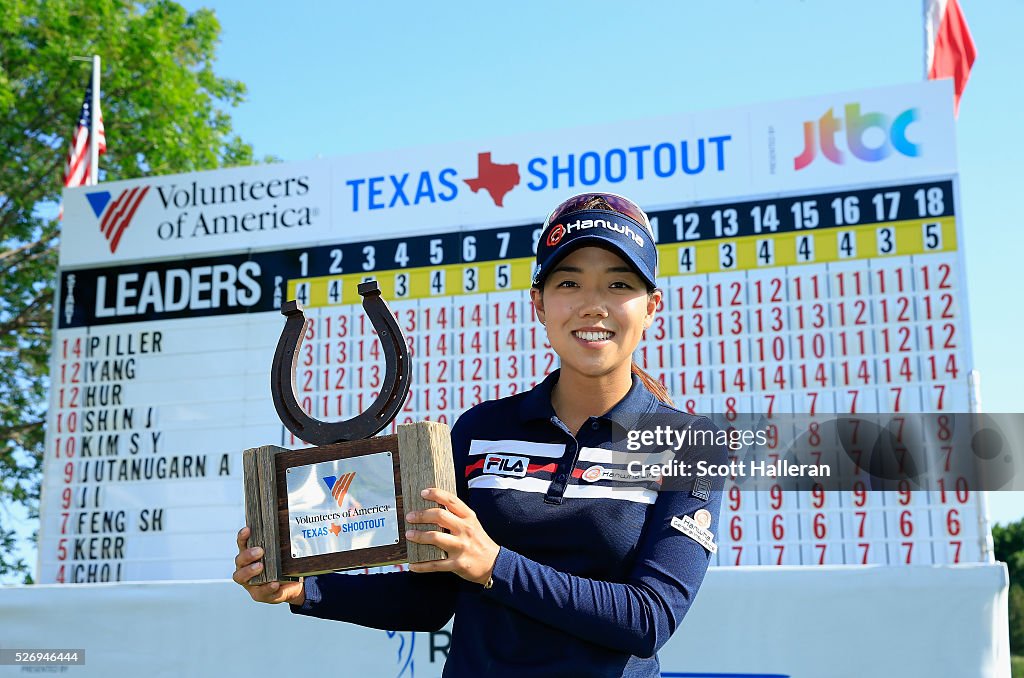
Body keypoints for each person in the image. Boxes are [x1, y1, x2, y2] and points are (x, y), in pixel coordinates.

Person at [233, 192, 728, 677]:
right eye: (569, 284)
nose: (593, 306)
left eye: (619, 285)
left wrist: (493, 563)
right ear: (538, 303)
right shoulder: (481, 429)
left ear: (652, 307)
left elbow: (647, 619)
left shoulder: (691, 444)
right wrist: (301, 590)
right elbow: (433, 600)